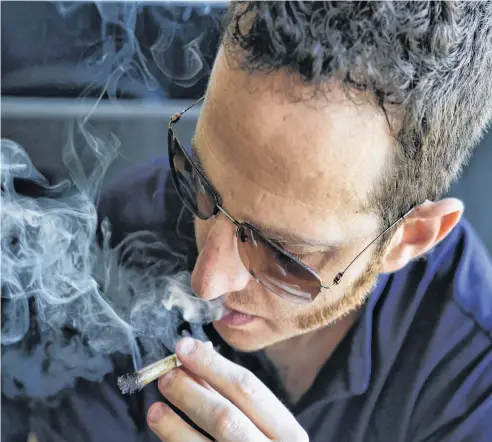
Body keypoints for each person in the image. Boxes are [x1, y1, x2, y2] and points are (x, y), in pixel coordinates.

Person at [4, 2, 492, 441]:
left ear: (408, 239)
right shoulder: (119, 236)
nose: (207, 280)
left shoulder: (469, 372)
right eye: (202, 186)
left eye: (282, 253)